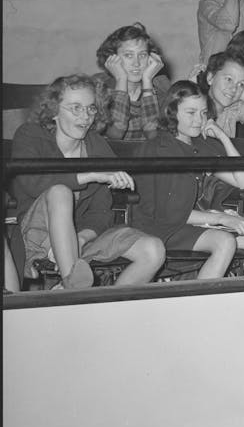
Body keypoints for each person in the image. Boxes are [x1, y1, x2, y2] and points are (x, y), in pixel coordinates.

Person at [11, 74, 165, 288]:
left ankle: (106, 309)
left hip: (80, 237)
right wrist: (92, 175)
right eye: (75, 108)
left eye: (91, 108)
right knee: (60, 192)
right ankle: (72, 287)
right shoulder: (30, 135)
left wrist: (82, 238)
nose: (85, 116)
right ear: (54, 110)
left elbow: (101, 212)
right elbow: (33, 182)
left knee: (153, 249)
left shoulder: (97, 145)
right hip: (36, 236)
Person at [133, 81, 244, 278]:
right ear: (172, 113)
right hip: (161, 228)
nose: (199, 120)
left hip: (191, 224)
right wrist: (222, 218)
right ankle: (201, 305)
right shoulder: (160, 148)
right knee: (224, 242)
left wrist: (222, 137)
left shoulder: (198, 145)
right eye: (191, 113)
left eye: (203, 113)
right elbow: (171, 213)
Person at [94, 22, 169, 141]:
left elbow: (155, 137)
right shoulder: (98, 89)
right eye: (129, 55)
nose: (136, 63)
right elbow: (115, 135)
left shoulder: (161, 89)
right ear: (112, 58)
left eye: (142, 55)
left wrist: (147, 81)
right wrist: (121, 79)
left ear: (151, 58)